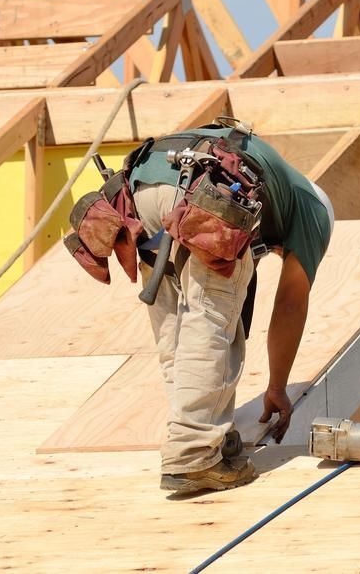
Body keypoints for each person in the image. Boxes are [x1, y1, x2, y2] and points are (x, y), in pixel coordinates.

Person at [127, 121, 334, 494]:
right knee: (211, 317)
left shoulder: (281, 183)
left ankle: (201, 438)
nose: (275, 254)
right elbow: (289, 305)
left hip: (143, 187)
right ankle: (193, 454)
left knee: (176, 324)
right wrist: (277, 386)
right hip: (207, 193)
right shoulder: (313, 213)